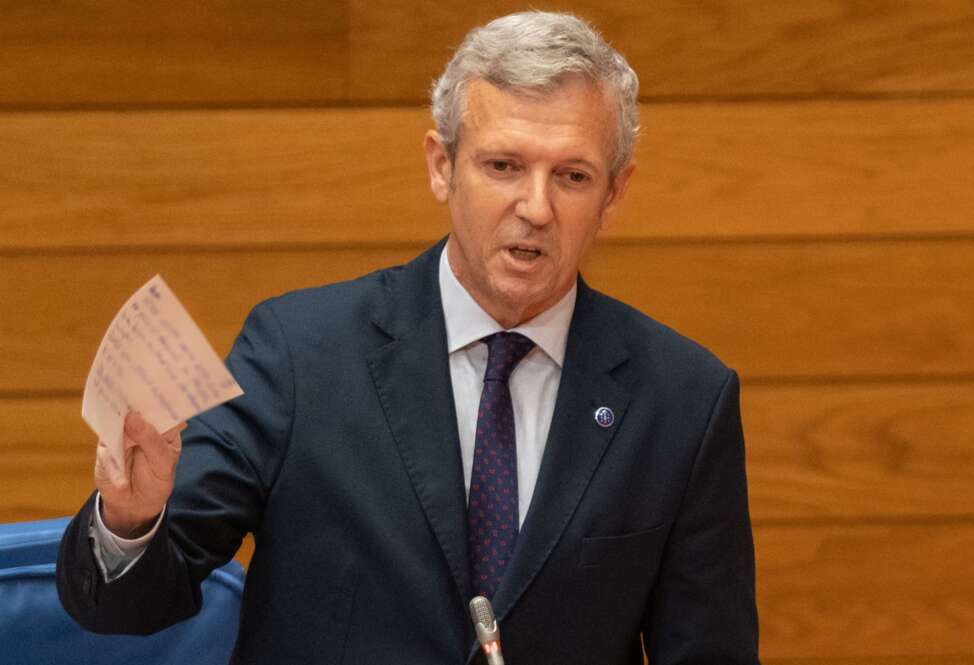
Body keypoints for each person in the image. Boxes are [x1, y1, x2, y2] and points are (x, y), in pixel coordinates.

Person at [57, 11, 759, 664]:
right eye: (503, 166)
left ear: (613, 193)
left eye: (572, 176)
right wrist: (130, 518)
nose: (536, 208)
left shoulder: (682, 400)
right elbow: (132, 601)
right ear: (441, 165)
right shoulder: (301, 353)